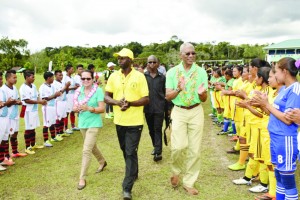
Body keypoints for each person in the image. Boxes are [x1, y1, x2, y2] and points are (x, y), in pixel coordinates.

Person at [105, 48, 149, 200]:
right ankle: (134, 172)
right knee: (126, 151)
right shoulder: (113, 76)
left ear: (131, 60)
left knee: (130, 152)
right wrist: (117, 102)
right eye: (118, 58)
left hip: (135, 122)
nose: (119, 60)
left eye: (123, 58)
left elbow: (146, 99)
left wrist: (130, 103)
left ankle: (127, 187)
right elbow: (106, 97)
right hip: (119, 121)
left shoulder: (139, 76)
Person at [253, 58, 300, 200]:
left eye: (276, 71)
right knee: (279, 176)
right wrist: (263, 104)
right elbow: (276, 113)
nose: (273, 75)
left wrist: (267, 104)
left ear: (285, 72)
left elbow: (288, 119)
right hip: (277, 138)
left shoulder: (295, 90)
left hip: (285, 139)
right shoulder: (286, 89)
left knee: (287, 180)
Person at [165, 42, 208, 196]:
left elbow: (204, 98)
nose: (191, 56)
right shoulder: (172, 72)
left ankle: (189, 182)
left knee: (195, 150)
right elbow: (168, 96)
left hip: (196, 110)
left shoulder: (202, 72)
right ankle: (175, 171)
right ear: (180, 55)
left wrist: (202, 93)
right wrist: (178, 88)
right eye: (187, 53)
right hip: (179, 111)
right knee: (178, 147)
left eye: (193, 53)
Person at [73, 70, 106, 190]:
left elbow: (102, 109)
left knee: (86, 150)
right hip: (82, 123)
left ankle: (82, 178)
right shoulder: (78, 91)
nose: (85, 81)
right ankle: (102, 161)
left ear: (93, 79)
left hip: (94, 123)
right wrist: (76, 109)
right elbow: (74, 108)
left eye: (88, 78)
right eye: (83, 79)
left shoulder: (98, 90)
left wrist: (89, 108)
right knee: (92, 147)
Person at [144, 55, 165, 162]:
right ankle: (155, 146)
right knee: (151, 129)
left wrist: (168, 108)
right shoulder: (143, 77)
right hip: (147, 108)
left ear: (158, 63)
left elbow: (165, 93)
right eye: (150, 62)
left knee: (157, 129)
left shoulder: (162, 77)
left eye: (154, 62)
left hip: (159, 108)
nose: (152, 64)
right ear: (147, 64)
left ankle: (158, 152)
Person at [20, 70, 47, 154]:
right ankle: (27, 147)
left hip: (34, 110)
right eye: (32, 77)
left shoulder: (34, 86)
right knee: (28, 128)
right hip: (27, 110)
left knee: (33, 127)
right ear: (27, 77)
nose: (34, 78)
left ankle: (33, 144)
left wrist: (41, 100)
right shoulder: (23, 88)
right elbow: (27, 100)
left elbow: (37, 96)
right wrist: (39, 102)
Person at [1, 70, 27, 158]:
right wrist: (11, 102)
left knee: (15, 132)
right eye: (14, 78)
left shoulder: (15, 88)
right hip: (7, 116)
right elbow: (4, 103)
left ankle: (15, 152)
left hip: (15, 114)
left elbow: (17, 99)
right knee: (6, 135)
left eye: (16, 77)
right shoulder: (3, 90)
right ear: (8, 78)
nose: (16, 79)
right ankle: (6, 155)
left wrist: (18, 102)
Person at [39, 72, 62, 147]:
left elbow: (53, 96)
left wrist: (57, 94)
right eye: (52, 77)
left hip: (53, 107)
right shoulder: (42, 87)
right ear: (48, 78)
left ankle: (53, 137)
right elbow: (45, 98)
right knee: (46, 124)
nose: (53, 79)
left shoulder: (52, 86)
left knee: (52, 122)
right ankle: (46, 141)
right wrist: (55, 95)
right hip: (47, 107)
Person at [53, 70, 70, 139]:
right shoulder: (54, 84)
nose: (61, 76)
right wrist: (65, 86)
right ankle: (57, 133)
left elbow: (66, 91)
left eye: (62, 75)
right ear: (55, 75)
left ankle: (61, 131)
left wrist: (67, 87)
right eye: (59, 75)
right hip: (58, 102)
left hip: (64, 101)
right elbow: (58, 94)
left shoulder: (63, 82)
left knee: (63, 117)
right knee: (58, 118)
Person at [64, 64, 79, 133]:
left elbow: (75, 84)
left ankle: (73, 126)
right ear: (68, 70)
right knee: (67, 112)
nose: (73, 70)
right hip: (68, 96)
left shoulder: (72, 77)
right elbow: (65, 88)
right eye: (71, 69)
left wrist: (77, 85)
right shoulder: (65, 78)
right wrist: (73, 87)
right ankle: (66, 128)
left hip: (73, 95)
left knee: (73, 111)